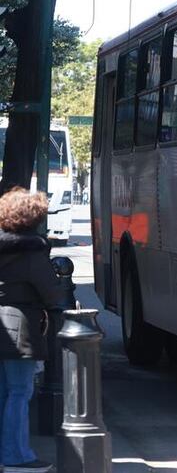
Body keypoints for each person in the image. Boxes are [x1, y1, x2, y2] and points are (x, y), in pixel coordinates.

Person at [0, 188, 63, 473]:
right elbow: (52, 293)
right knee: (19, 391)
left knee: (4, 392)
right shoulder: (31, 252)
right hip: (18, 329)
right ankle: (16, 455)